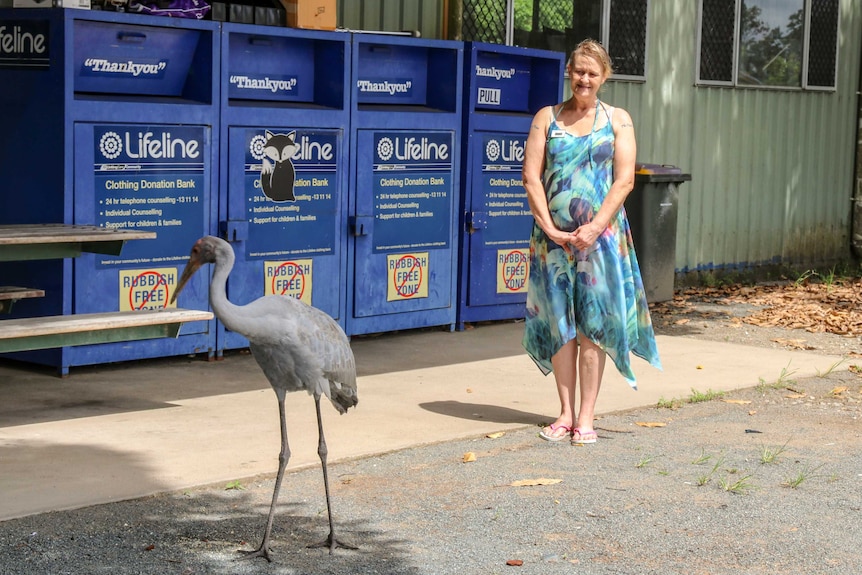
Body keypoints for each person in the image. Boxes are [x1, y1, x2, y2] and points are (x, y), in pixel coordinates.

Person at [521, 39, 661, 445]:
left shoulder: (619, 119)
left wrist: (594, 227)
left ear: (604, 77)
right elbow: (531, 177)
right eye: (579, 71)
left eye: (592, 73)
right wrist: (550, 228)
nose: (584, 79)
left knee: (593, 328)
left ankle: (586, 417)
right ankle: (564, 413)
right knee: (560, 326)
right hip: (553, 244)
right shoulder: (546, 118)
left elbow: (625, 180)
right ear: (569, 71)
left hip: (600, 241)